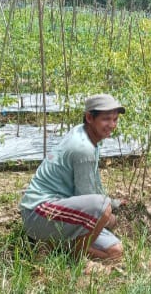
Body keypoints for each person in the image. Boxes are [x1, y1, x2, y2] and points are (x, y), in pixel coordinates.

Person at [19, 93, 126, 263]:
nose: (112, 125)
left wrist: (114, 203)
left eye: (115, 119)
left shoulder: (84, 132)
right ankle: (79, 259)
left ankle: (54, 246)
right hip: (39, 213)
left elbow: (93, 182)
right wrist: (109, 215)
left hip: (58, 211)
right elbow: (90, 198)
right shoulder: (83, 148)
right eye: (106, 119)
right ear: (90, 117)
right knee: (104, 211)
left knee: (115, 252)